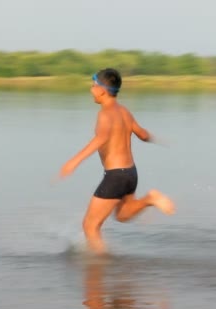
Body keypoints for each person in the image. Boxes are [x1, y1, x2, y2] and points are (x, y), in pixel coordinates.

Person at [58, 68, 175, 254]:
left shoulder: (104, 114)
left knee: (89, 226)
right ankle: (149, 199)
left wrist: (74, 161)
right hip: (130, 173)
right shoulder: (124, 111)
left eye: (92, 85)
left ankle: (100, 266)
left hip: (115, 176)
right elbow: (143, 135)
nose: (90, 90)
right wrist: (157, 139)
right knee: (122, 215)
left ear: (101, 89)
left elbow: (101, 138)